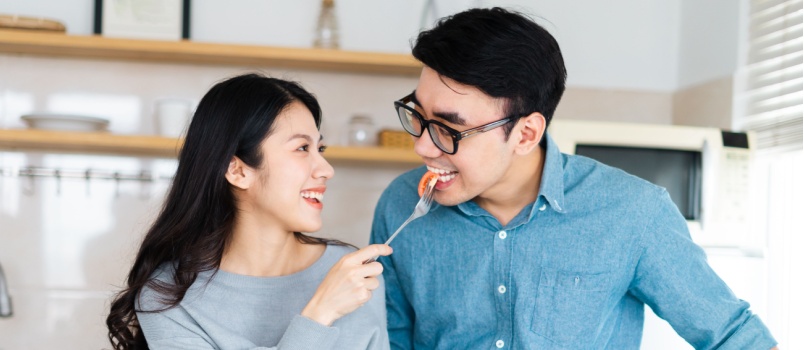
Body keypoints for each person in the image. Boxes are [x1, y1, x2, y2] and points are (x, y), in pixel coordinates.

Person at [370, 7, 778, 350]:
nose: (422, 147)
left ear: (526, 134)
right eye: (418, 116)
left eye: (448, 129)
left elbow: (734, 337)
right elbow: (391, 341)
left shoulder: (634, 212)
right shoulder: (400, 204)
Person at [107, 73, 392, 350]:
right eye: (302, 148)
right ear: (238, 171)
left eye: (321, 148)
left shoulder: (354, 276)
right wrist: (320, 313)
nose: (326, 170)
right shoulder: (168, 295)